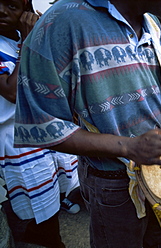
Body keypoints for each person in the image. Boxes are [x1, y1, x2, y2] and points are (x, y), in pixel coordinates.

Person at [14, 1, 161, 248]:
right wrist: (128, 147)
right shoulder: (61, 22)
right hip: (112, 183)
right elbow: (41, 125)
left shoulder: (152, 25)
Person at [0, 1, 80, 247]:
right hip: (13, 138)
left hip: (41, 132)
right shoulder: (19, 41)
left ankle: (45, 237)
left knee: (49, 200)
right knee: (26, 206)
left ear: (26, 7)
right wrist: (29, 41)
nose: (2, 10)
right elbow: (12, 91)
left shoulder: (22, 37)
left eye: (12, 5)